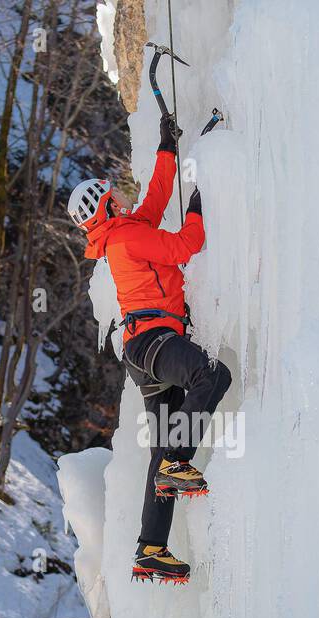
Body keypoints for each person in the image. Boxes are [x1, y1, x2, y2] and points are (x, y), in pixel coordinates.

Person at [68, 114, 232, 584]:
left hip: (143, 352)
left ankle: (151, 548)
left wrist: (167, 147)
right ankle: (177, 464)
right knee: (213, 376)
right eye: (112, 192)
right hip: (155, 340)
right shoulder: (126, 235)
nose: (121, 194)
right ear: (105, 205)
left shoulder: (122, 234)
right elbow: (187, 244)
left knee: (162, 448)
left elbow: (157, 198)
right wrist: (203, 195)